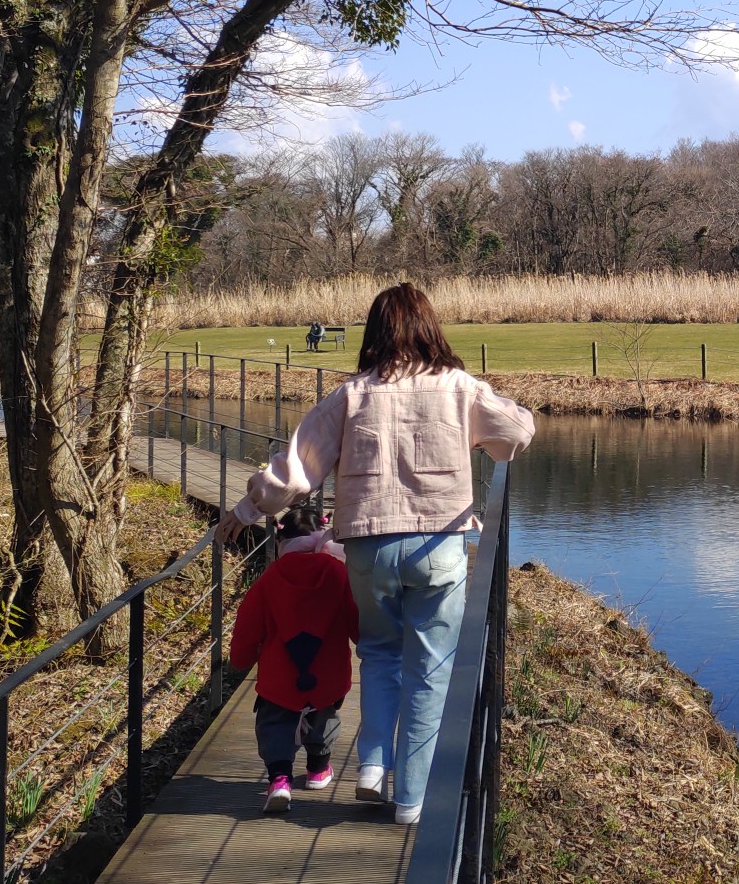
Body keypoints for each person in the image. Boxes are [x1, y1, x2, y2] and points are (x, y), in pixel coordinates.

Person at [220, 284, 534, 824]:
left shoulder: (352, 395)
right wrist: (473, 438)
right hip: (439, 542)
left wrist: (246, 512)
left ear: (374, 333)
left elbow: (295, 471)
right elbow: (518, 431)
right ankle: (410, 798)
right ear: (430, 329)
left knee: (381, 654)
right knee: (430, 669)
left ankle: (370, 765)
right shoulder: (459, 388)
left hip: (366, 547)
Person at [226, 514, 359, 813]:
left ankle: (280, 780)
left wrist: (240, 659)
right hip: (329, 674)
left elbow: (248, 625)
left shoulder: (270, 577)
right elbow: (357, 621)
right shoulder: (338, 574)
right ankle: (317, 770)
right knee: (324, 719)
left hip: (280, 676)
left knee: (274, 724)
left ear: (280, 542)